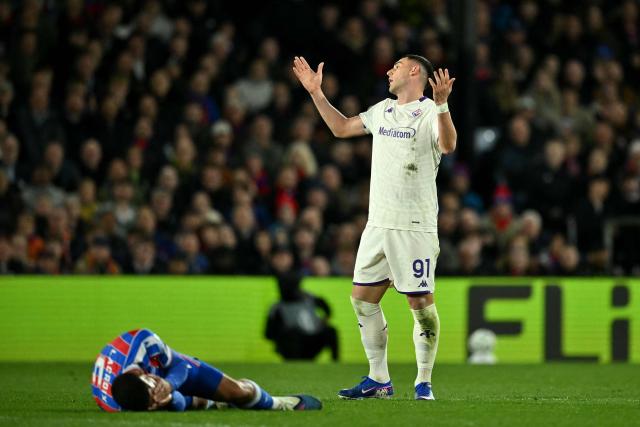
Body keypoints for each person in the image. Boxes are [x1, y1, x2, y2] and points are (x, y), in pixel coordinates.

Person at [293, 54, 457, 400]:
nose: (388, 70)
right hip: (378, 224)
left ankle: (423, 382)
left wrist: (442, 106)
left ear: (414, 71)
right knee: (362, 301)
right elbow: (340, 129)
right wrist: (316, 94)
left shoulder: (430, 111)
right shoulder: (382, 110)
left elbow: (448, 145)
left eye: (396, 66)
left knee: (421, 306)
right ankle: (379, 378)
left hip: (413, 226)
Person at [92, 328, 322, 412]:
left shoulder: (144, 341)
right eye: (152, 403)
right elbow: (178, 404)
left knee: (237, 392)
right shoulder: (118, 405)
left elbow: (180, 366)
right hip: (145, 384)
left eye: (154, 391)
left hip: (167, 367)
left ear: (143, 375)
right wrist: (170, 399)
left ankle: (278, 403)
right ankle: (213, 402)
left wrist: (169, 384)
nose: (155, 399)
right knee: (189, 403)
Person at [265, 272, 339, 361]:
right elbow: (268, 334)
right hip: (291, 349)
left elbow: (325, 306)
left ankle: (335, 362)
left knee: (331, 331)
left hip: (312, 342)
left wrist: (324, 320)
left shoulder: (308, 297)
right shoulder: (278, 307)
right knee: (292, 334)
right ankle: (294, 363)